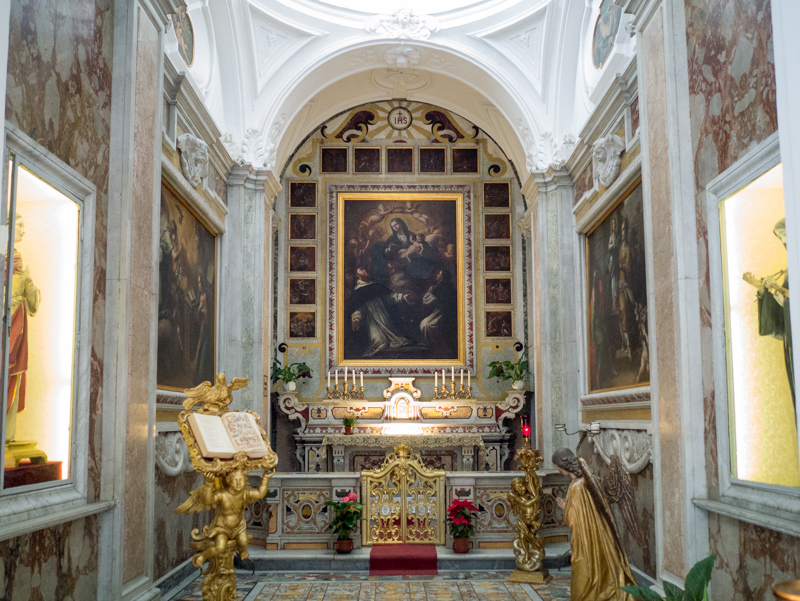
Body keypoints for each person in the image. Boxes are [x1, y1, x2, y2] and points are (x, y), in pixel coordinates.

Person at [552, 448, 635, 601]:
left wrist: (566, 508)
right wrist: (570, 505)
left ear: (562, 466)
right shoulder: (589, 478)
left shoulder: (576, 486)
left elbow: (577, 519)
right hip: (601, 531)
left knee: (585, 566)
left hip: (587, 537)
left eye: (557, 466)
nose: (557, 469)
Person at [745, 218, 794, 413]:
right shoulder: (791, 271)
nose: (784, 242)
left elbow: (789, 304)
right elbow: (781, 325)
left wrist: (781, 296)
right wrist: (764, 290)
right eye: (781, 238)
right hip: (793, 345)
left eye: (785, 236)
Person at [5, 214, 41, 442]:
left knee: (13, 377)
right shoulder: (4, 256)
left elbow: (33, 303)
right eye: (19, 225)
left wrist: (27, 281)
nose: (23, 230)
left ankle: (7, 435)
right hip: (6, 324)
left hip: (16, 325)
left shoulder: (21, 261)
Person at [345, 267, 416, 358]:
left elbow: (389, 297)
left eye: (365, 269)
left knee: (396, 339)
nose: (365, 270)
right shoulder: (358, 291)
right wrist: (356, 319)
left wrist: (402, 297)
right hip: (372, 320)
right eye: (361, 269)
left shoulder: (376, 286)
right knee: (378, 340)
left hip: (384, 317)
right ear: (357, 275)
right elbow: (358, 308)